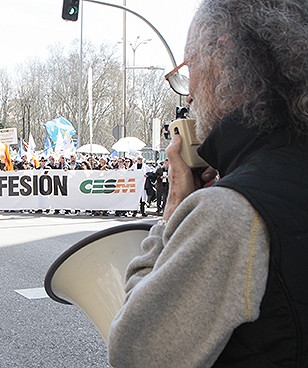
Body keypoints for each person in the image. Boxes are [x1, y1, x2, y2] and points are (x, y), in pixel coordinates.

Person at [108, 1, 308, 367]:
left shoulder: (229, 212)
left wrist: (172, 217)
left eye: (187, 70)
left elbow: (135, 354)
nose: (189, 95)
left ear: (221, 57)